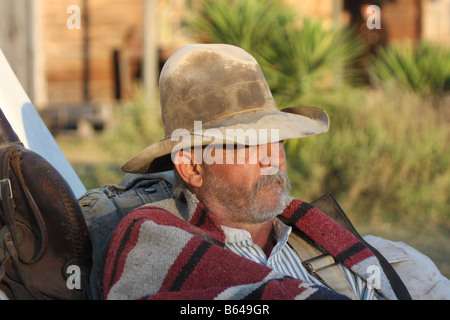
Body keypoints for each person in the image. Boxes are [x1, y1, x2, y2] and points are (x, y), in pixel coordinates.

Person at [81, 44, 450, 300]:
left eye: (276, 138)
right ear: (193, 166)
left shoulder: (322, 240)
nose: (272, 158)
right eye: (248, 143)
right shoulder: (156, 247)